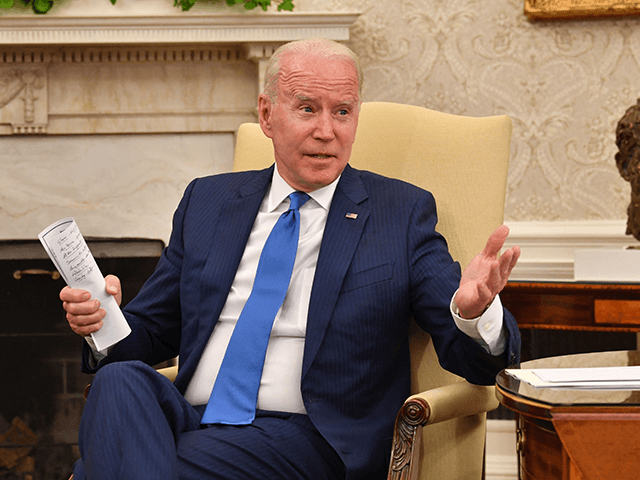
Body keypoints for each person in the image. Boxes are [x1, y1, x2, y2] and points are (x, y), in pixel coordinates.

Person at [60, 38, 521, 480]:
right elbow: (152, 333)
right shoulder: (208, 201)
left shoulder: (399, 213)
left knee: (120, 464)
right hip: (192, 419)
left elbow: (477, 364)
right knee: (117, 381)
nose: (327, 130)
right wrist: (104, 319)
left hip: (310, 435)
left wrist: (475, 313)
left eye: (342, 111)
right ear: (267, 114)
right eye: (307, 109)